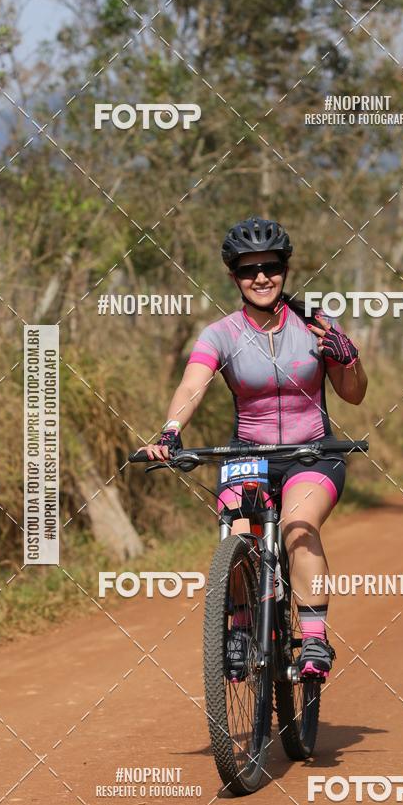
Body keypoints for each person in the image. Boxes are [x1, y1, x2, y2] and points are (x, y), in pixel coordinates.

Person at [139, 216, 368, 677]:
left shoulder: (316, 325)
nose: (261, 277)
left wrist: (349, 358)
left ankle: (316, 640)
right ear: (234, 277)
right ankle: (242, 626)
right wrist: (170, 430)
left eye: (271, 266)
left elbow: (354, 393)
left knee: (298, 525)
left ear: (285, 269)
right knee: (240, 532)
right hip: (249, 453)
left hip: (312, 453)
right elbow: (193, 385)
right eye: (248, 269)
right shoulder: (220, 334)